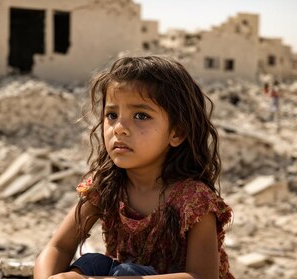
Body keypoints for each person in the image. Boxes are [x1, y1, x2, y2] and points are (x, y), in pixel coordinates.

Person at [34, 56, 233, 279]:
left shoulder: (193, 200)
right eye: (112, 115)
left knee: (125, 273)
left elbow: (202, 276)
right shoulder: (107, 186)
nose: (119, 128)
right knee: (91, 262)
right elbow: (58, 247)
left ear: (176, 132)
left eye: (141, 116)